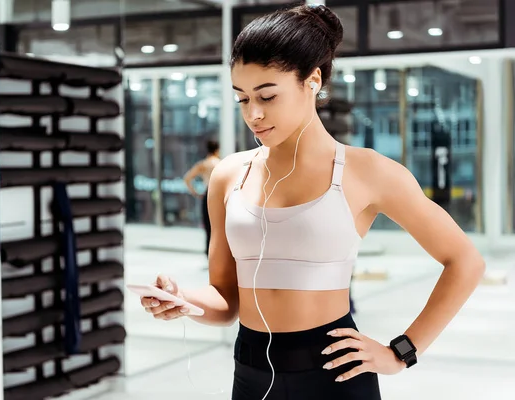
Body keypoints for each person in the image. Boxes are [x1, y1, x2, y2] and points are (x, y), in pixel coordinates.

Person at [141, 5, 485, 400]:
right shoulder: (228, 176)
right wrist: (182, 299)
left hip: (335, 375)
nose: (254, 114)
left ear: (313, 80)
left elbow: (465, 261)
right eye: (242, 99)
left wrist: (401, 352)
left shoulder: (366, 171)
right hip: (250, 372)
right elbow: (226, 299)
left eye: (268, 96)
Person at [183, 139, 220, 256]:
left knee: (208, 226)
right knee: (219, 226)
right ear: (217, 150)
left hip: (207, 194)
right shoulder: (221, 163)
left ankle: (209, 252)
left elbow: (187, 178)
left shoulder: (203, 164)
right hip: (218, 195)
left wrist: (196, 193)